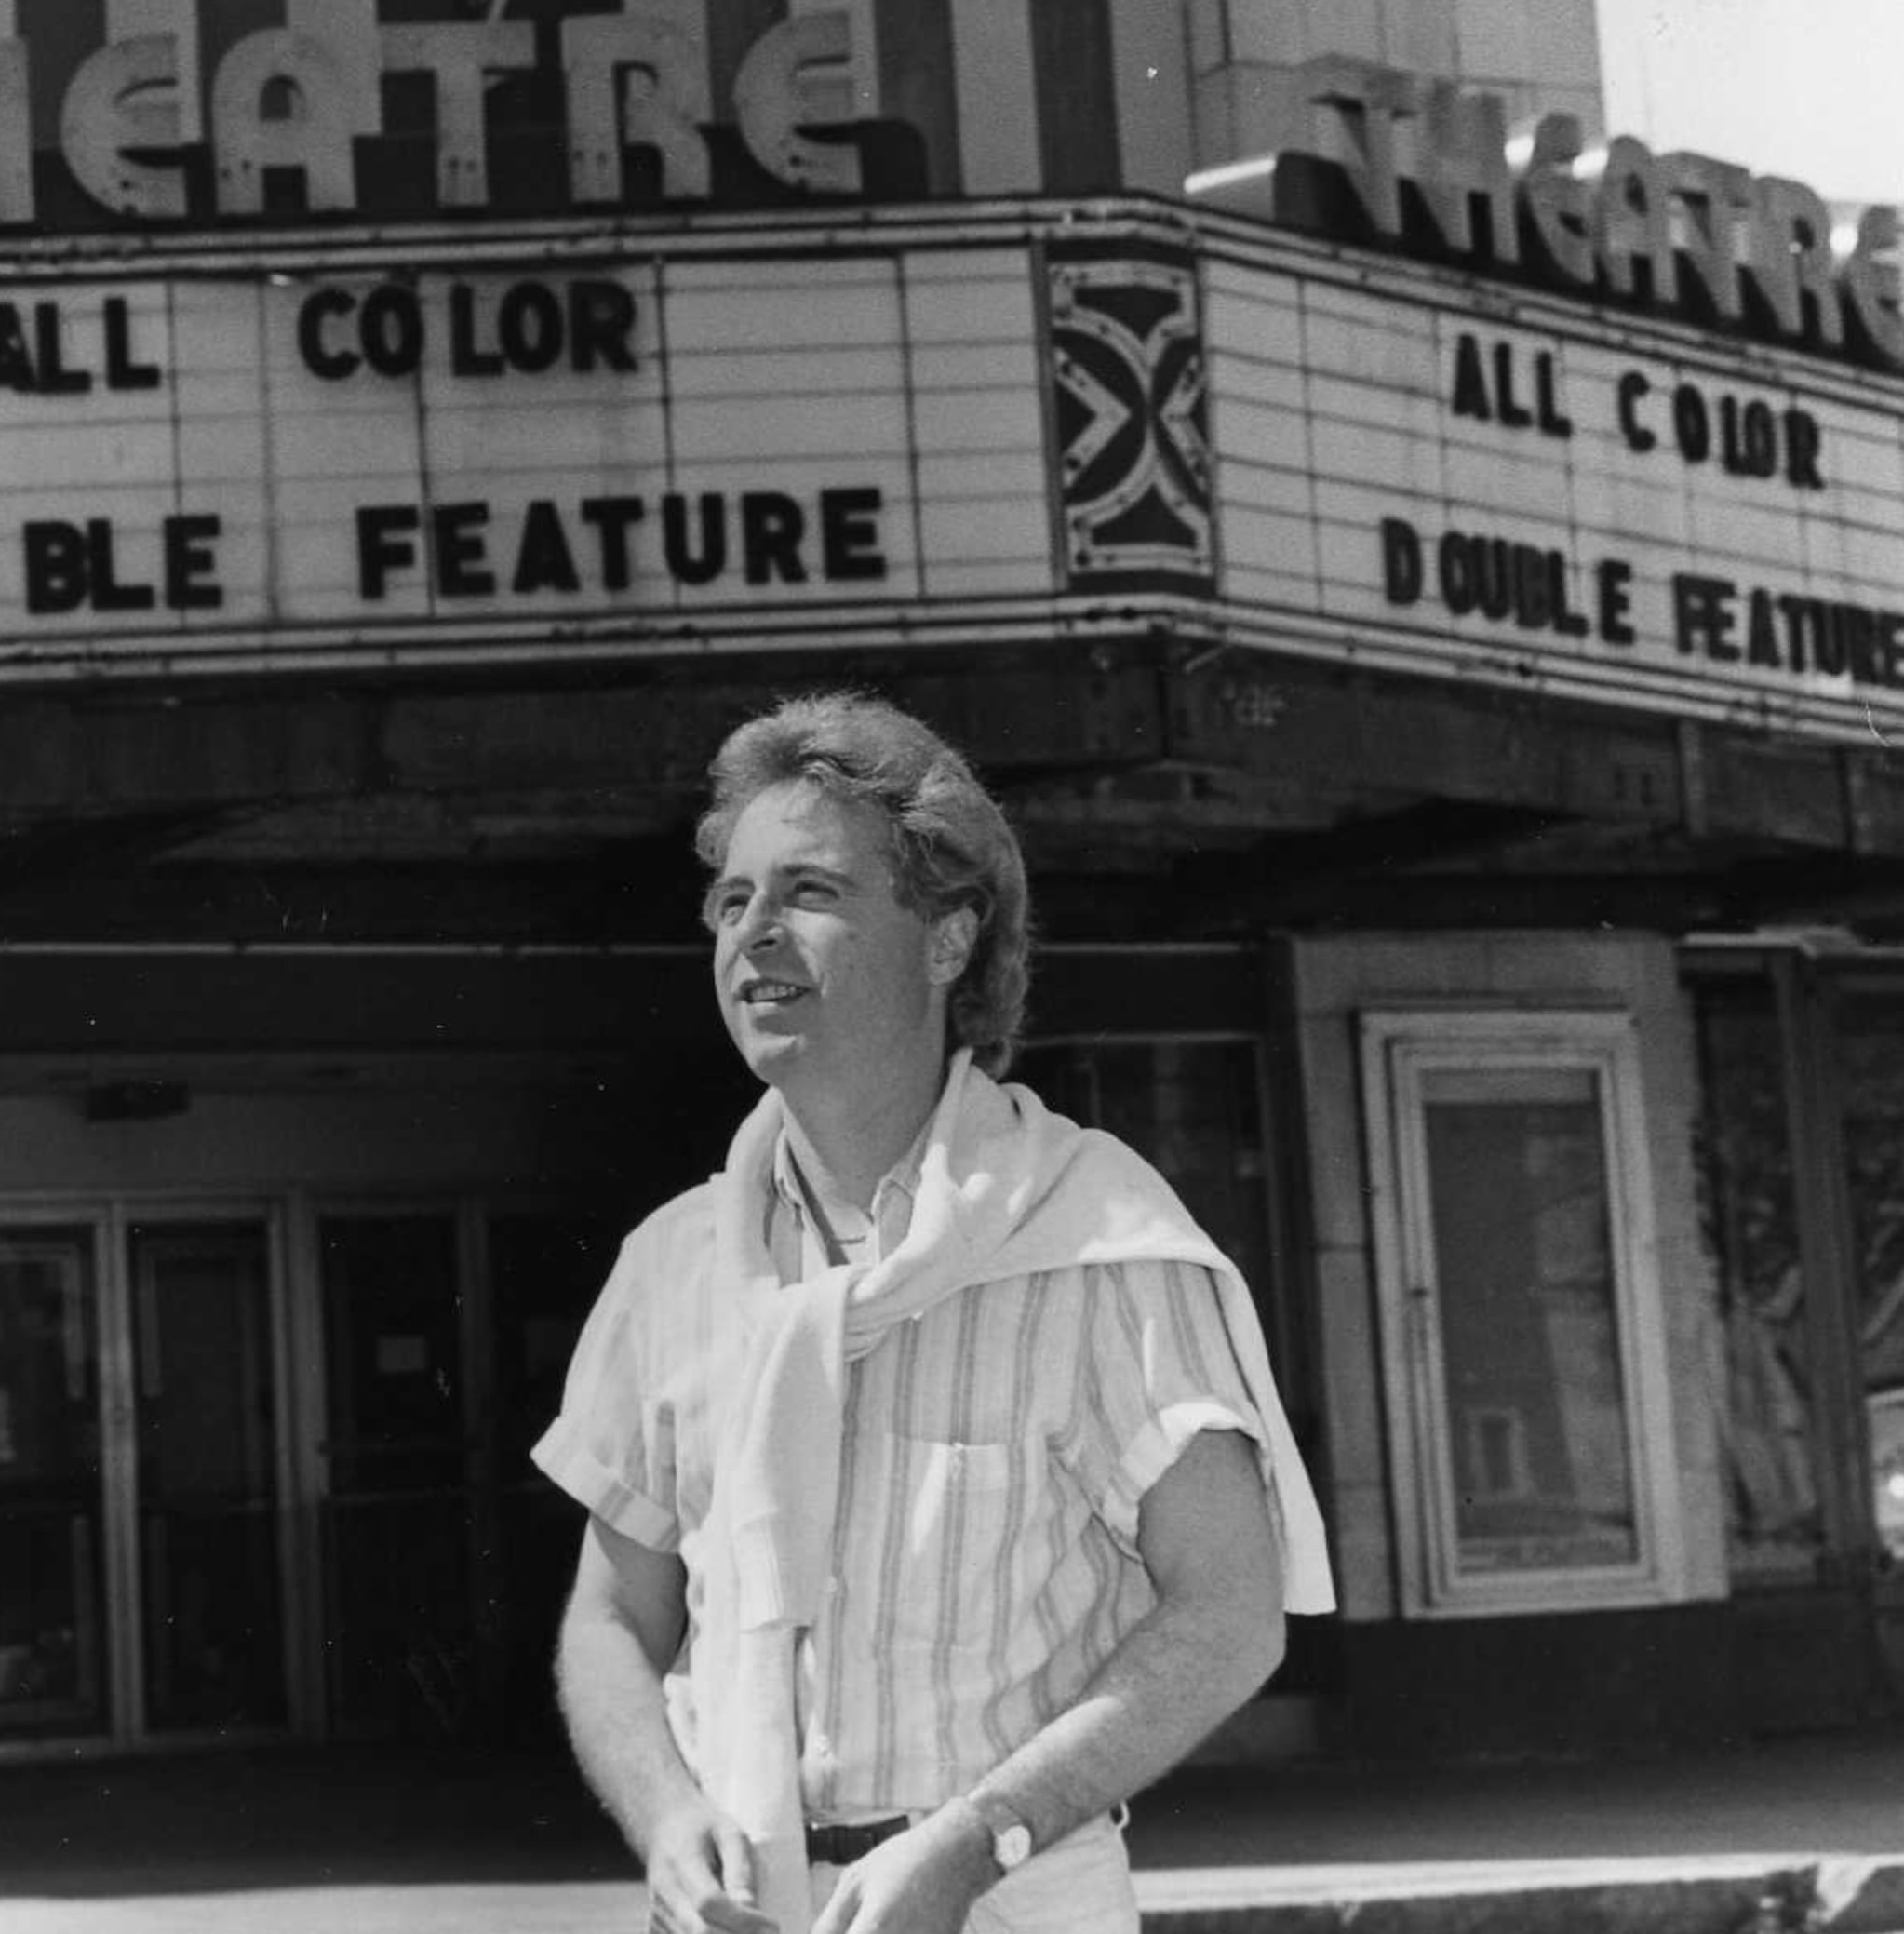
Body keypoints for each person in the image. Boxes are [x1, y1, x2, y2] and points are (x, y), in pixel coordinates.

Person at [535, 693, 1334, 1934]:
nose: (755, 935)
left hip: (1010, 1899)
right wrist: (664, 1819)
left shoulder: (1095, 1236)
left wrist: (976, 1841)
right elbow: (608, 1620)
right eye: (732, 900)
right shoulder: (672, 1266)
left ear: (949, 939)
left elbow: (1232, 1614)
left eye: (809, 891)